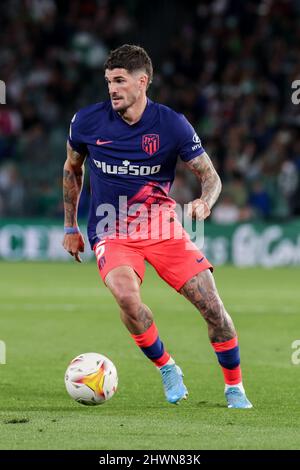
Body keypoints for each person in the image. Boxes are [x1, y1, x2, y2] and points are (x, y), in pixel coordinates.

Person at [62, 44, 252, 408]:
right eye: (108, 82)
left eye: (119, 80)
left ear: (142, 81)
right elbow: (72, 169)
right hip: (110, 228)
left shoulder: (171, 124)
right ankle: (167, 367)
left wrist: (204, 202)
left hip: (162, 227)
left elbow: (210, 177)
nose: (112, 89)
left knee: (213, 308)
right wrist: (71, 226)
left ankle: (234, 387)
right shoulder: (86, 121)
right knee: (127, 299)